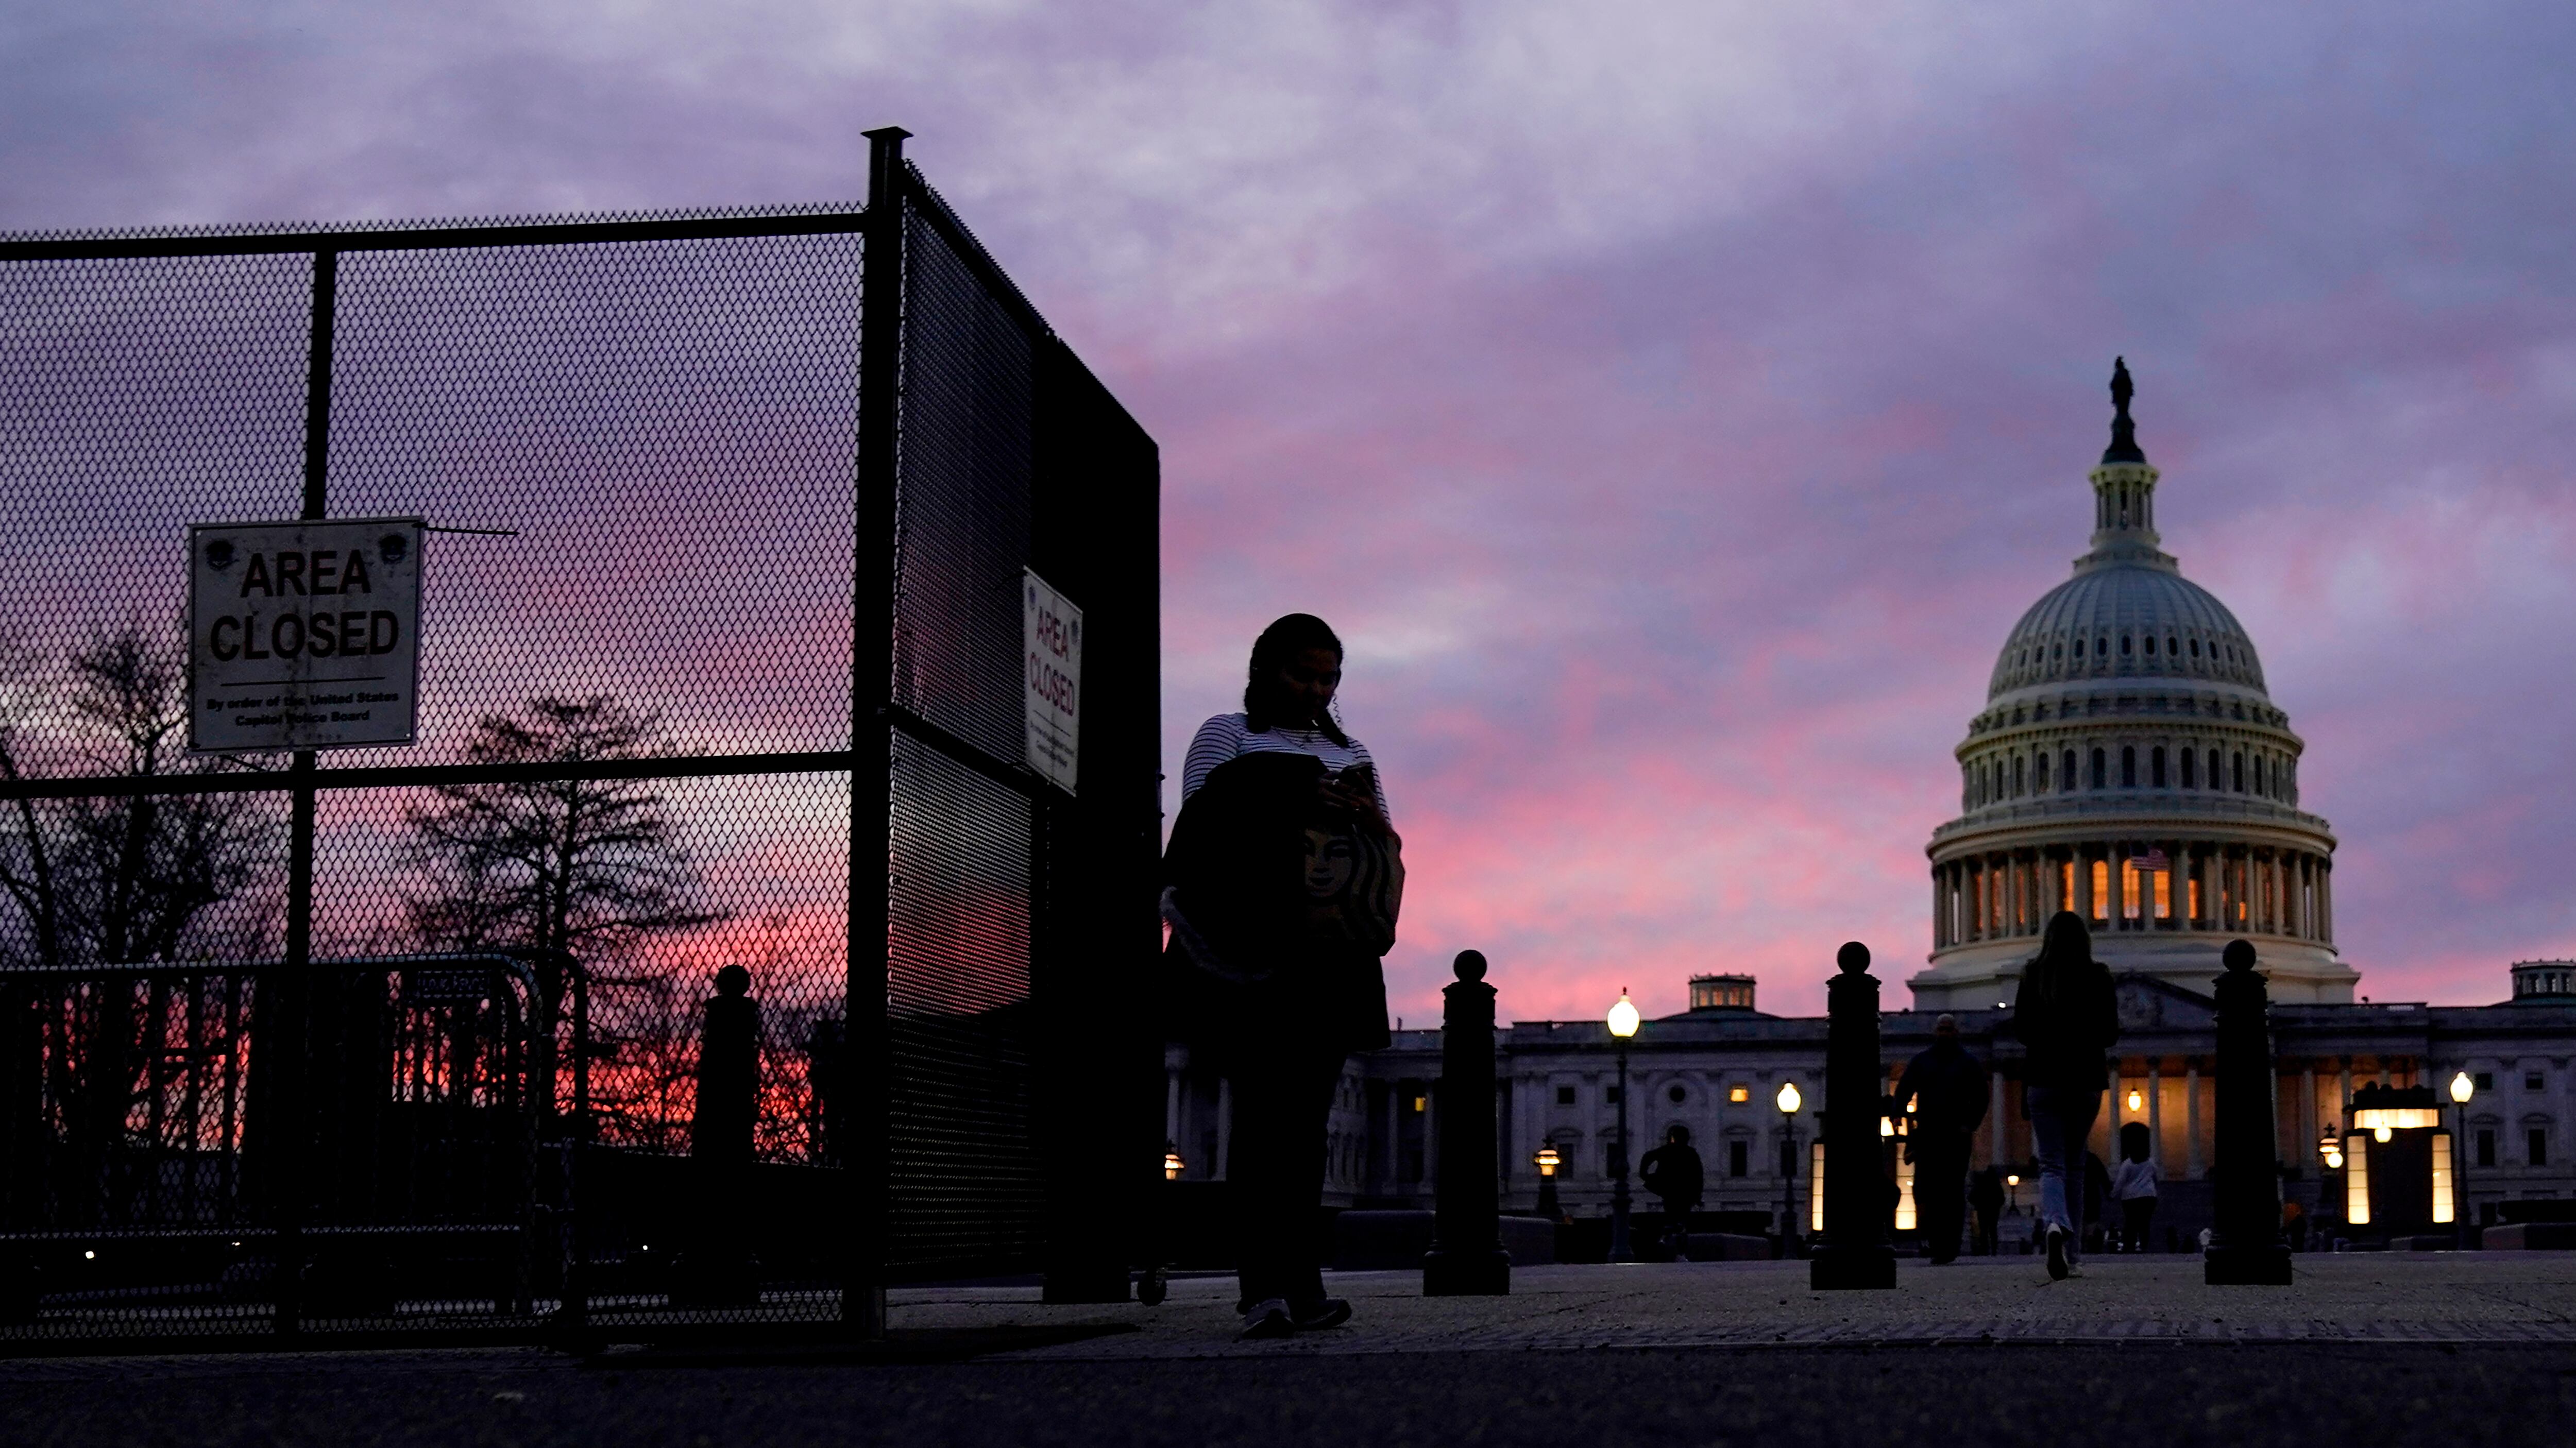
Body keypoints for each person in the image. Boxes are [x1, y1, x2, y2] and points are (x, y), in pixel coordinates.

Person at [1170, 614, 1396, 1340]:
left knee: (1308, 1124)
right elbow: (1204, 827)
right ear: (1264, 667)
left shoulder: (1352, 751)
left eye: (1328, 677)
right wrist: (1301, 795)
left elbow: (1382, 847)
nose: (1316, 688)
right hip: (1252, 951)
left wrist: (1363, 812)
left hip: (1330, 955)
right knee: (1262, 1117)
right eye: (1302, 673)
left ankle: (1305, 1283)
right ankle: (1261, 1286)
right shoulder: (1225, 733)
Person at [2007, 910, 2119, 1280]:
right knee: (2076, 1164)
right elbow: (2110, 1033)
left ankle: (2054, 1224)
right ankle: (2073, 1255)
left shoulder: (2033, 974)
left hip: (2045, 1076)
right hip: (2086, 1078)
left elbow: (2022, 1029)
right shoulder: (2099, 977)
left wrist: (2048, 1038)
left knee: (2051, 1163)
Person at [1893, 1013, 1990, 1264]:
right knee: (1927, 1190)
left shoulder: (1968, 1063)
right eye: (1942, 1030)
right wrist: (1896, 1114)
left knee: (1952, 1190)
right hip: (1928, 1134)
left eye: (1949, 1030)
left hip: (1956, 1135)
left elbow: (1982, 1096)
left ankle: (1950, 1245)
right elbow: (1904, 1089)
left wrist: (1970, 1124)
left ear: (1956, 1032)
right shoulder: (1922, 1061)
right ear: (1935, 1032)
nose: (1945, 1034)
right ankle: (1935, 1240)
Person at [1639, 1125, 1705, 1254]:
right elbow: (1699, 1176)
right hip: (1685, 1191)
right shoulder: (1690, 1153)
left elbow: (1648, 1156)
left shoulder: (1667, 1150)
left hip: (1670, 1190)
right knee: (1680, 1218)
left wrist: (1644, 1174)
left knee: (1672, 1215)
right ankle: (1677, 1244)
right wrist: (1698, 1196)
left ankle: (1668, 1239)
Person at [2110, 1121, 2159, 1252]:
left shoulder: (2127, 1164)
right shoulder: (2150, 1162)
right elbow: (2156, 1177)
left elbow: (2120, 1182)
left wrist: (2113, 1195)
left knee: (2130, 1222)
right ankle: (2144, 1245)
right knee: (2145, 1222)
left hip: (2131, 1197)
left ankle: (2129, 1245)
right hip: (2149, 1196)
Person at [1968, 1165, 2006, 1256]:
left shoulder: (1980, 1183)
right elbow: (2002, 1198)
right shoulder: (1996, 1184)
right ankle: (1993, 1250)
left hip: (1982, 1210)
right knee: (1993, 1231)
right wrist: (1997, 1206)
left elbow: (1971, 1196)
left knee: (1983, 1231)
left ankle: (1984, 1250)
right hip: (1993, 1210)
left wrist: (1977, 1205)